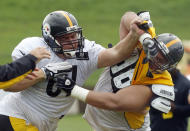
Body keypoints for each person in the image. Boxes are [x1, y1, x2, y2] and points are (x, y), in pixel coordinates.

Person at [0, 10, 146, 131]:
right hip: (17, 115)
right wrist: (44, 73)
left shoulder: (86, 50)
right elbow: (12, 86)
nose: (72, 41)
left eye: (73, 35)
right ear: (50, 38)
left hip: (46, 123)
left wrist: (134, 33)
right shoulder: (35, 48)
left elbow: (116, 54)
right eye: (65, 38)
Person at [56, 12, 184, 131]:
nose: (155, 60)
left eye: (162, 61)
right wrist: (138, 30)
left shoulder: (158, 82)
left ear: (170, 66)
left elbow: (114, 102)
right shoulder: (145, 41)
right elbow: (126, 18)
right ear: (153, 43)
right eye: (156, 53)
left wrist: (74, 90)